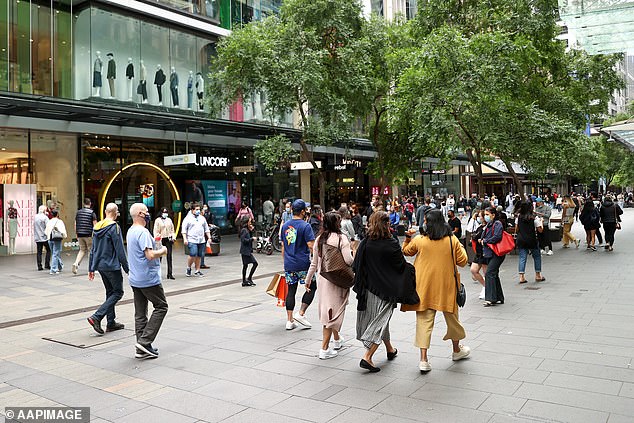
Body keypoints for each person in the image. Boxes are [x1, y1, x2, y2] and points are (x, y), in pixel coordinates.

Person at [402, 209, 470, 373]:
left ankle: (424, 360)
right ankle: (456, 350)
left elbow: (406, 251)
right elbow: (463, 261)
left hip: (424, 287)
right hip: (446, 286)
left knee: (424, 322)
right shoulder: (451, 239)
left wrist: (407, 237)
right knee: (452, 319)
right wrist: (457, 245)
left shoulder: (420, 240)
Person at [352, 211, 400, 373]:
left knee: (381, 319)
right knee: (381, 320)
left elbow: (356, 265)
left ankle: (390, 349)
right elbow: (400, 265)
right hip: (386, 291)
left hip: (368, 289)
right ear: (386, 224)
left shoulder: (366, 242)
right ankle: (368, 356)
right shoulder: (391, 243)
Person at [305, 212, 354, 360]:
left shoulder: (319, 239)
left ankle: (337, 340)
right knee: (332, 314)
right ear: (337, 223)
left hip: (323, 280)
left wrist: (308, 280)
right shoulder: (341, 239)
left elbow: (314, 263)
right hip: (336, 280)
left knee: (329, 309)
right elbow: (349, 261)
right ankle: (324, 349)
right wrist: (353, 252)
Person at [127, 203, 168, 359]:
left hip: (135, 278)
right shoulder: (142, 232)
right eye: (145, 211)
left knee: (140, 314)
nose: (148, 213)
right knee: (161, 306)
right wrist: (162, 251)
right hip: (148, 278)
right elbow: (150, 255)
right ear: (139, 214)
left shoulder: (131, 231)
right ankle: (145, 341)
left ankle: (141, 348)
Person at [87, 202, 129, 334]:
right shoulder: (114, 228)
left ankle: (111, 322)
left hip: (101, 266)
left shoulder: (97, 227)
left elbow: (93, 250)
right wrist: (128, 269)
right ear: (115, 213)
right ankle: (97, 317)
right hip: (112, 266)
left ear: (105, 212)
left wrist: (91, 268)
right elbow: (120, 249)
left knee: (110, 292)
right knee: (118, 292)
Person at [281, 199, 316, 330]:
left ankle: (289, 321)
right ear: (302, 211)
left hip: (289, 264)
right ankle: (301, 313)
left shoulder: (285, 226)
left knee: (291, 290)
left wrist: (285, 261)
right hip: (303, 264)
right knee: (312, 286)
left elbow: (283, 246)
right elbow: (311, 246)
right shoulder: (305, 226)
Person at [479, 207, 505, 307]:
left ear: (493, 215)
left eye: (487, 214)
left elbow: (497, 237)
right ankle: (499, 297)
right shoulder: (488, 225)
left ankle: (490, 298)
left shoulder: (497, 224)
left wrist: (485, 241)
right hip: (490, 253)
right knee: (494, 274)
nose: (486, 216)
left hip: (497, 253)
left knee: (489, 273)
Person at [515, 201, 545, 284]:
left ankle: (521, 277)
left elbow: (517, 229)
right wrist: (541, 222)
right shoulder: (534, 218)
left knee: (522, 257)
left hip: (521, 239)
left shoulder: (519, 217)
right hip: (532, 240)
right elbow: (540, 230)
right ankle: (538, 275)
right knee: (537, 256)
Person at [182, 203, 211, 277]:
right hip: (192, 239)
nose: (198, 211)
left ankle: (197, 270)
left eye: (199, 209)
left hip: (201, 240)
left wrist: (209, 237)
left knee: (199, 255)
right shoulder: (188, 219)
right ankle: (189, 267)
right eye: (196, 209)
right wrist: (185, 239)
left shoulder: (202, 218)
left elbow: (206, 228)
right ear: (192, 210)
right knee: (193, 254)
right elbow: (184, 230)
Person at [72, 198, 98, 275]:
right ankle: (91, 268)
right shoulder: (92, 213)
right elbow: (95, 225)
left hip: (80, 234)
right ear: (90, 204)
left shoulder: (78, 212)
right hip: (89, 234)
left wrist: (76, 233)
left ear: (84, 204)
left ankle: (76, 263)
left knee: (82, 250)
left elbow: (75, 224)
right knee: (91, 251)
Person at [153, 207, 176, 280]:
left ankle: (170, 273)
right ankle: (158, 274)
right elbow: (155, 230)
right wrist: (157, 237)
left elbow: (172, 229)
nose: (165, 214)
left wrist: (173, 236)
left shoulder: (169, 220)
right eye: (164, 212)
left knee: (169, 256)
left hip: (168, 239)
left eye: (166, 212)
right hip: (161, 239)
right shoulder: (158, 220)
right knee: (159, 257)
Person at [470, 210, 487, 300]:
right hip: (478, 252)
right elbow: (473, 233)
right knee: (473, 270)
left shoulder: (487, 227)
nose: (479, 218)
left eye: (480, 216)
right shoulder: (479, 227)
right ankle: (485, 286)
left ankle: (486, 288)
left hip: (485, 252)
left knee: (485, 272)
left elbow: (478, 236)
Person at [45, 210, 67, 275]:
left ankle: (59, 266)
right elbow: (62, 230)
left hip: (50, 239)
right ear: (57, 214)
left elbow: (46, 231)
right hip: (57, 239)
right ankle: (53, 269)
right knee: (56, 253)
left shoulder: (49, 221)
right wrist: (64, 236)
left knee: (54, 253)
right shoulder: (59, 221)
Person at [239, 217, 258, 287]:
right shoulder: (244, 230)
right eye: (249, 222)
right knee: (255, 263)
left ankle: (245, 280)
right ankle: (248, 278)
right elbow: (244, 240)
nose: (250, 223)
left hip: (246, 250)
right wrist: (252, 239)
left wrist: (251, 230)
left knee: (245, 266)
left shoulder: (246, 230)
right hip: (245, 251)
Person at [34, 205, 51, 271]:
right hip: (44, 237)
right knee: (49, 250)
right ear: (44, 210)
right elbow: (48, 226)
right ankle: (47, 264)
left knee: (39, 251)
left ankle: (39, 266)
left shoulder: (35, 217)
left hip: (37, 237)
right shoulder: (45, 217)